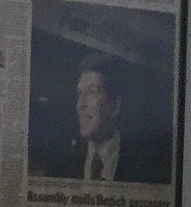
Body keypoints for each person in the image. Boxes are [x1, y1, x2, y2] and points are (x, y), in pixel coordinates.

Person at [36, 53, 174, 184]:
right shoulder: (62, 160)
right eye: (79, 94)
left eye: (91, 93)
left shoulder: (146, 164)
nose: (81, 105)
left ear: (115, 106)